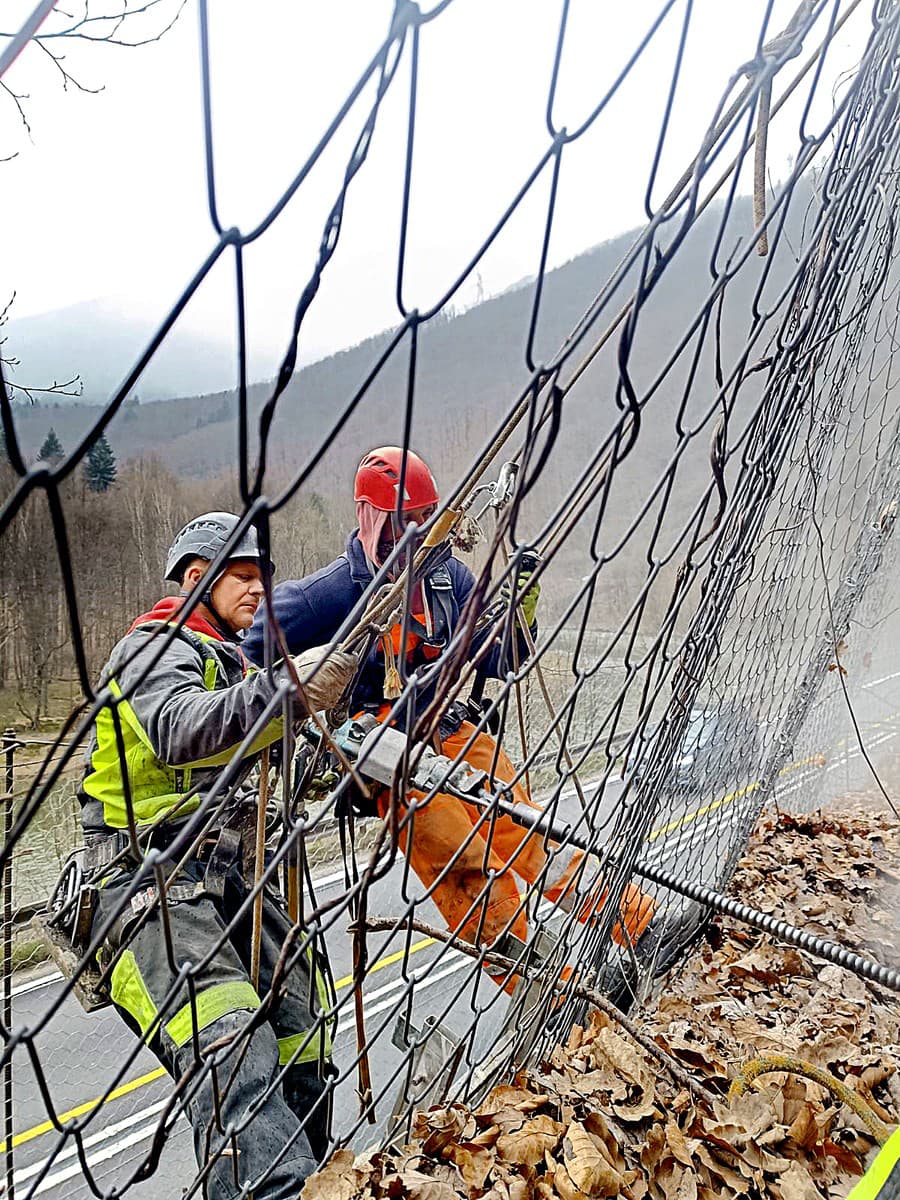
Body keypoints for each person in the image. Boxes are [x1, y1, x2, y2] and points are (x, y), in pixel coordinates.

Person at [244, 450, 668, 1002]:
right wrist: (302, 726)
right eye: (403, 521)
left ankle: (639, 928)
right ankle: (556, 993)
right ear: (373, 519)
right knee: (466, 865)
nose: (416, 533)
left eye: (426, 518)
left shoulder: (446, 577)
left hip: (452, 729)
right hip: (386, 753)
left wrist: (518, 615)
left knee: (533, 835)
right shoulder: (325, 598)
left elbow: (501, 657)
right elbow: (246, 663)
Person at [78, 512, 356, 1199]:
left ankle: (308, 1180)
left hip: (232, 882)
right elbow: (178, 729)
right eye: (242, 576)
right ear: (197, 578)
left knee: (304, 1039)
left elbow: (278, 758)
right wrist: (284, 692)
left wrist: (338, 743)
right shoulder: (157, 645)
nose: (259, 589)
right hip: (149, 885)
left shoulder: (232, 664)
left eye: (264, 576)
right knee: (232, 1047)